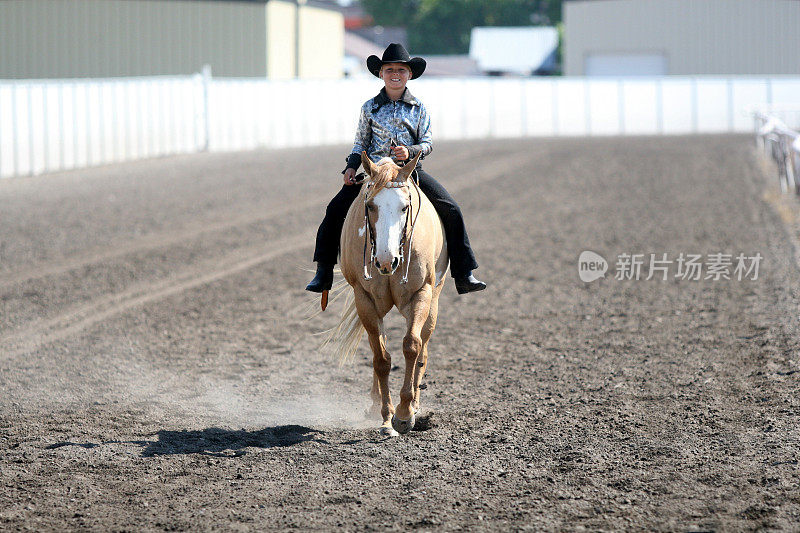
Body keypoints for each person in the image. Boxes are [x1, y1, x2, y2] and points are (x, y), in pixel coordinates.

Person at [306, 43, 486, 295]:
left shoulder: (418, 108)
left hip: (408, 172)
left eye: (401, 69)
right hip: (374, 173)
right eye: (389, 69)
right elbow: (360, 141)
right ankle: (323, 272)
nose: (395, 74)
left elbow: (427, 142)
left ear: (409, 74)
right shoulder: (369, 107)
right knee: (334, 209)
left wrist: (410, 152)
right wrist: (350, 166)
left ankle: (464, 273)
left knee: (452, 209)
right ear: (381, 73)